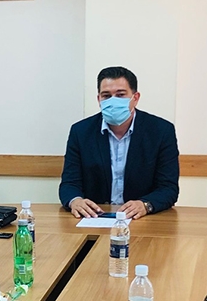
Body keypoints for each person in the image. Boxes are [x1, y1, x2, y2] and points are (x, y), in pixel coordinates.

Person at [59, 66, 180, 220]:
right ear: (99, 99)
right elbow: (69, 184)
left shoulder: (161, 131)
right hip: (95, 218)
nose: (113, 101)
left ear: (135, 98)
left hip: (142, 219)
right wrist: (75, 201)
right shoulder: (80, 132)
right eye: (106, 95)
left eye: (120, 95)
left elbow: (168, 188)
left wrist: (145, 205)